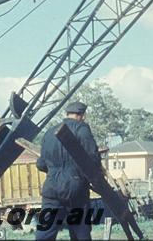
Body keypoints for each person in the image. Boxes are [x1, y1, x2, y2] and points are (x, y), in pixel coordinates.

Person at [35, 101, 99, 240]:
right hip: (76, 190)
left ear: (67, 114)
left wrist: (55, 172)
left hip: (51, 189)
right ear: (82, 115)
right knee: (80, 233)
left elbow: (41, 164)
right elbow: (93, 160)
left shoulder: (50, 132)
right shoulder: (82, 129)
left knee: (45, 232)